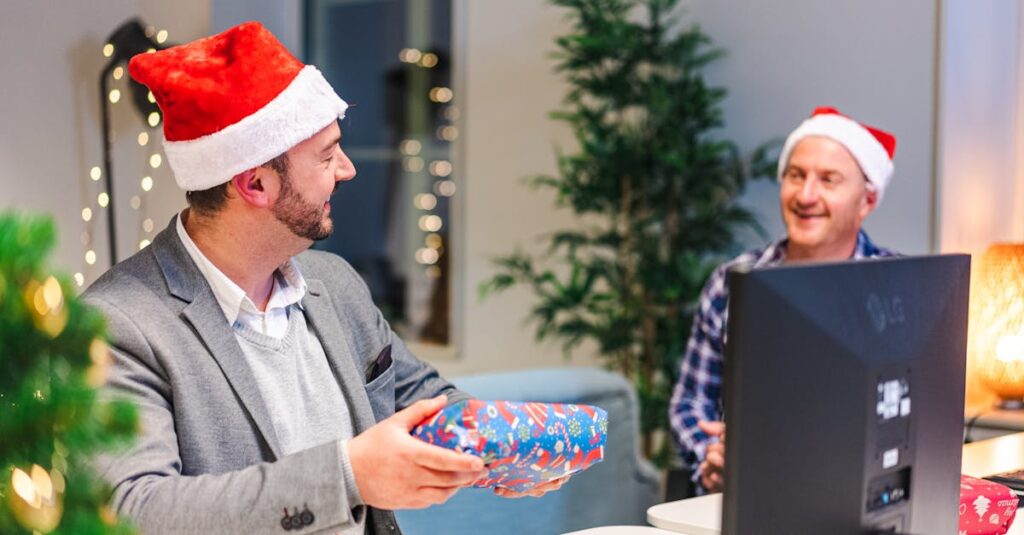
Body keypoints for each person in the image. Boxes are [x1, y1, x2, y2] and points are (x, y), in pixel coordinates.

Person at [83, 22, 565, 534]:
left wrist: (511, 445)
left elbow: (424, 397)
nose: (348, 168)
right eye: (327, 154)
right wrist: (347, 475)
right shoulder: (117, 325)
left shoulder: (334, 282)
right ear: (256, 183)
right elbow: (135, 512)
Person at [667, 107, 899, 494]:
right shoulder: (731, 282)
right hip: (742, 502)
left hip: (857, 496)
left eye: (828, 180)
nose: (806, 195)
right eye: (796, 175)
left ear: (867, 201)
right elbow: (688, 403)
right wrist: (713, 454)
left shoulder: (899, 290)